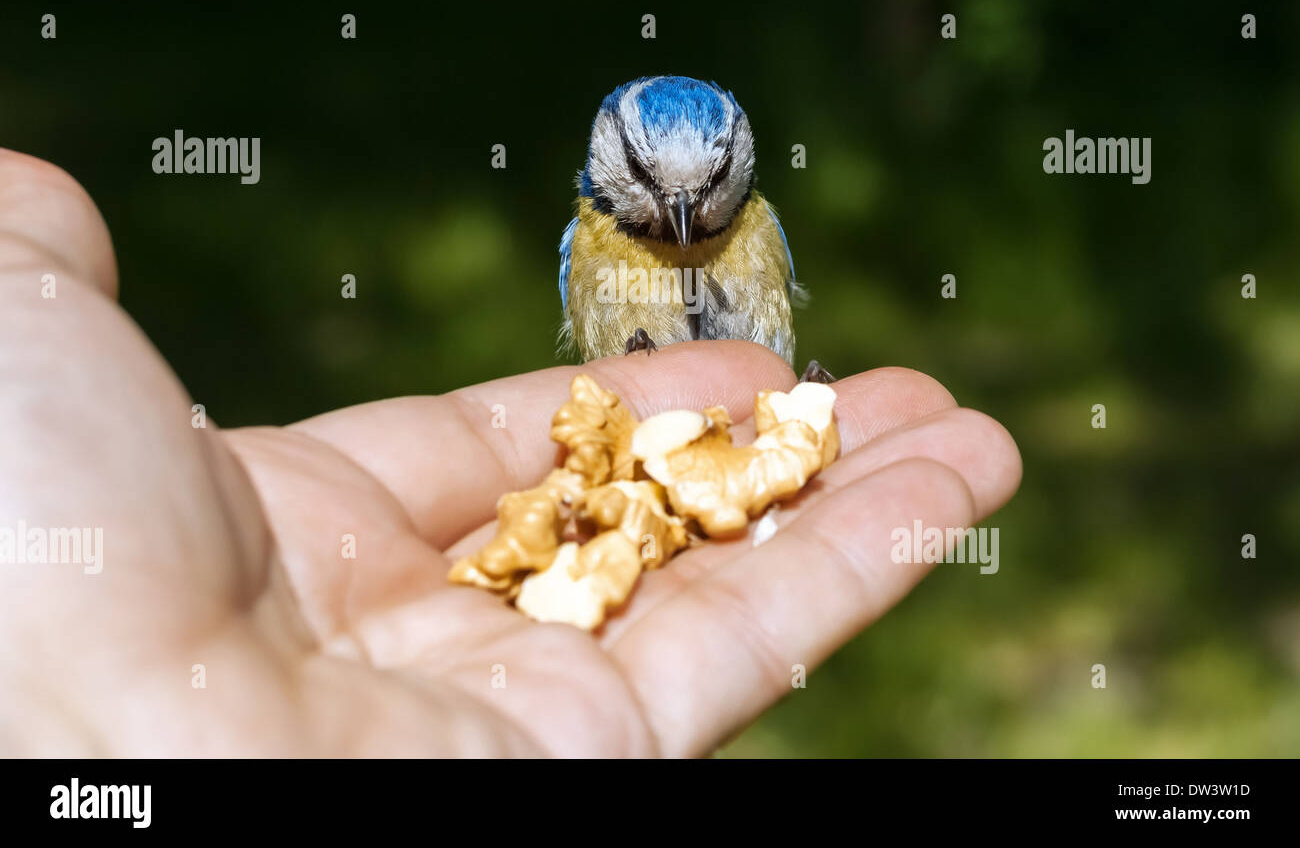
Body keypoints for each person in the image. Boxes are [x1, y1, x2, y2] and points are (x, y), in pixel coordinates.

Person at [0, 148, 1021, 757]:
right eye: (651, 190)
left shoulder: (759, 229)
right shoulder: (590, 237)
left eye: (706, 188)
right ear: (603, 159)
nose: (677, 221)